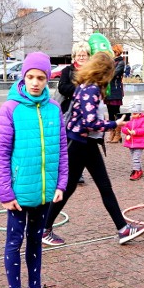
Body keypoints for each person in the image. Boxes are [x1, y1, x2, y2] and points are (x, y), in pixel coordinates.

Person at [0, 52, 68, 288]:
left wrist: (60, 184)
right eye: (31, 77)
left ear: (48, 79)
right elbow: (0, 154)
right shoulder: (10, 109)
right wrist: (5, 193)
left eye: (41, 77)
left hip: (45, 193)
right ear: (23, 78)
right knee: (14, 243)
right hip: (18, 194)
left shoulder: (53, 110)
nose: (36, 82)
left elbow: (61, 149)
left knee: (36, 240)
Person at [41, 52, 144, 246]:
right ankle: (44, 229)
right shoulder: (90, 90)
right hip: (80, 144)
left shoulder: (89, 87)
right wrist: (115, 124)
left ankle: (123, 229)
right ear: (104, 72)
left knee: (92, 186)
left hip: (84, 143)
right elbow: (90, 122)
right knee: (70, 188)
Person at [58, 40, 91, 184]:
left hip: (86, 111)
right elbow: (62, 87)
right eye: (79, 55)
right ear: (74, 56)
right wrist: (80, 90)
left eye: (84, 55)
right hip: (69, 110)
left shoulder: (92, 71)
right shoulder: (67, 71)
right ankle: (67, 172)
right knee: (69, 141)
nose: (82, 58)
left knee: (83, 142)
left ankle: (79, 172)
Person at [121, 97, 144, 181]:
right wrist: (127, 131)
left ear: (140, 113)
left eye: (135, 114)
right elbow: (124, 127)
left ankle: (136, 171)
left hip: (139, 143)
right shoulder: (130, 119)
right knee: (134, 157)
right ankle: (139, 170)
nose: (133, 115)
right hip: (131, 143)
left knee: (136, 158)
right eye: (132, 113)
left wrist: (135, 132)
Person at [106, 44, 126, 143]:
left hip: (116, 90)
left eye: (113, 52)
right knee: (110, 112)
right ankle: (112, 132)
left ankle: (118, 134)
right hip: (109, 90)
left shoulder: (120, 62)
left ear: (116, 52)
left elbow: (113, 74)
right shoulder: (111, 62)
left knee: (116, 112)